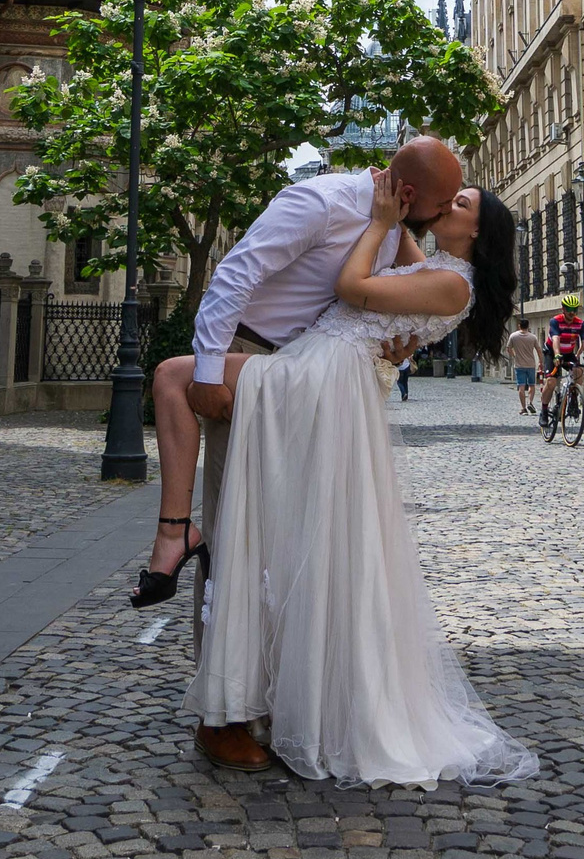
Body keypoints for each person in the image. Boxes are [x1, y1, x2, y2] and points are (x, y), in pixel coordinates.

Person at [183, 169, 531, 785]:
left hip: (325, 379)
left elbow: (353, 287)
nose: (447, 205)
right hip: (324, 373)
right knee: (276, 536)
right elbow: (405, 273)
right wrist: (399, 211)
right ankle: (242, 691)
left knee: (272, 527)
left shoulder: (453, 281)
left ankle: (175, 546)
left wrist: (380, 221)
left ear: (478, 230)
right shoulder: (439, 266)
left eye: (460, 203)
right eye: (447, 195)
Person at [140, 138, 462, 618]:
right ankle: (222, 654)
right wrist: (208, 374)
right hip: (249, 357)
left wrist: (402, 341)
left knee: (291, 532)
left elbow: (416, 293)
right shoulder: (321, 202)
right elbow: (235, 275)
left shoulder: (393, 228)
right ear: (410, 194)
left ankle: (283, 653)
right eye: (441, 205)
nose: (443, 215)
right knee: (234, 525)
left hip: (311, 380)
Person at [539, 294, 584, 421]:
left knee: (578, 372)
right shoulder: (555, 321)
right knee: (551, 382)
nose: (572, 312)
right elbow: (556, 339)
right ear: (563, 309)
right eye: (569, 309)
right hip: (552, 352)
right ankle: (544, 411)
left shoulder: (580, 323)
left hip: (568, 353)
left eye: (575, 309)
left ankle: (573, 400)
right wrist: (557, 355)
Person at [504, 317, 539, 413]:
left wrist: (514, 355)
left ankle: (523, 408)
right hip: (531, 364)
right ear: (528, 326)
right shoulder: (533, 337)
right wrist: (541, 362)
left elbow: (508, 348)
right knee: (532, 385)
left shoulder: (513, 336)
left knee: (521, 387)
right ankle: (530, 402)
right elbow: (539, 350)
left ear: (519, 326)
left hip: (519, 365)